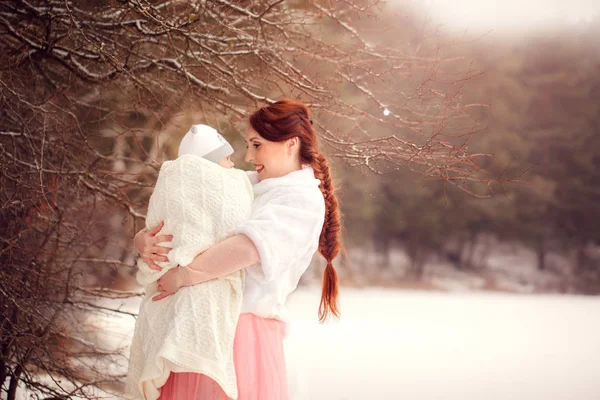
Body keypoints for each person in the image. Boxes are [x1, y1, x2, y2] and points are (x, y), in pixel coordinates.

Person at [134, 99, 342, 400]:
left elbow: (247, 248)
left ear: (290, 144)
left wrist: (183, 276)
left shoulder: (301, 200)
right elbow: (184, 210)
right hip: (203, 325)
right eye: (247, 145)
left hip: (242, 334)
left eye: (257, 145)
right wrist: (144, 239)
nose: (247, 156)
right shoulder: (247, 184)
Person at [126, 124, 253, 400]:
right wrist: (142, 239)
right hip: (181, 281)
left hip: (188, 280)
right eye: (226, 158)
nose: (232, 164)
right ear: (206, 164)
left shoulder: (244, 181)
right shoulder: (193, 180)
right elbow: (169, 220)